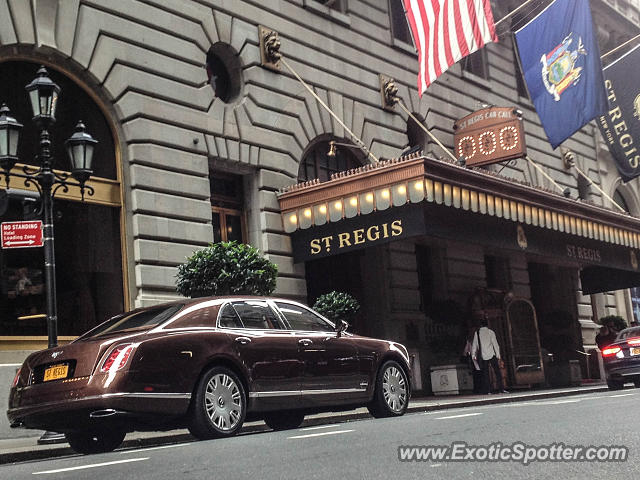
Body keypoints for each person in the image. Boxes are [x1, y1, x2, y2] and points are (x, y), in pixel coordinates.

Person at [471, 317, 507, 394]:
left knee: (486, 374)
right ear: (487, 324)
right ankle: (501, 389)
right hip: (492, 354)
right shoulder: (491, 332)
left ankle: (488, 390)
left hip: (483, 356)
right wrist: (498, 355)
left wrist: (473, 355)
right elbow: (495, 344)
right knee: (497, 372)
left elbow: (474, 345)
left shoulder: (477, 333)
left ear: (480, 325)